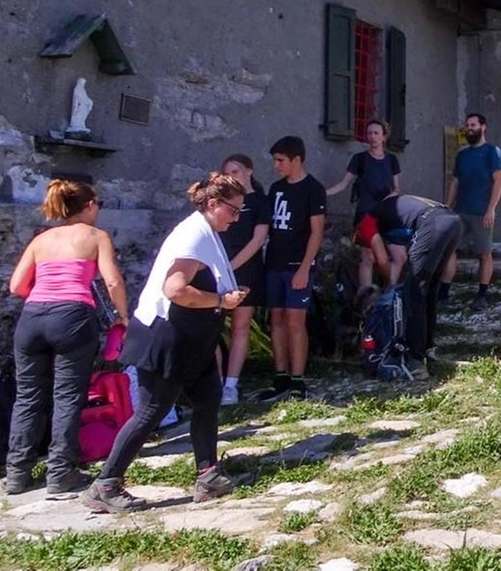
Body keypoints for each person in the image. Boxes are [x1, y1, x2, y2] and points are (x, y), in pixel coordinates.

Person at [82, 174, 249, 513]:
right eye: (233, 211)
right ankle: (105, 484)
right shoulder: (193, 236)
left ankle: (208, 474)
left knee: (208, 397)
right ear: (213, 204)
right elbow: (175, 290)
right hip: (167, 336)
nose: (236, 218)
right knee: (150, 410)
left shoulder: (206, 231)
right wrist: (221, 300)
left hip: (191, 339)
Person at [3, 181, 129, 495]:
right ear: (87, 206)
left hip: (32, 319)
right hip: (72, 317)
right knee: (68, 395)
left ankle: (17, 474)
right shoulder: (96, 237)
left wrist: (45, 297)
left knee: (28, 397)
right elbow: (112, 281)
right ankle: (60, 472)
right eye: (97, 203)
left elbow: (17, 286)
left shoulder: (41, 240)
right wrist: (123, 316)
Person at [360, 192, 462, 379]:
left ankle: (415, 360)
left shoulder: (366, 222)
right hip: (452, 221)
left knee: (414, 292)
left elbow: (382, 259)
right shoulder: (394, 210)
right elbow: (404, 255)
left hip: (432, 224)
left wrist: (388, 287)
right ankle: (428, 348)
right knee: (429, 290)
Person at [260, 136, 326, 402]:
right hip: (273, 262)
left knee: (295, 321)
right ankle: (281, 375)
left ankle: (298, 378)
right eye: (275, 160)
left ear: (297, 159)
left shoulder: (313, 189)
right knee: (276, 319)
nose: (277, 166)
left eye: (281, 160)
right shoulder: (275, 188)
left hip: (297, 265)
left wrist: (304, 267)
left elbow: (316, 232)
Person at [216, 154, 270, 406]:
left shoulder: (259, 201)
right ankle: (213, 383)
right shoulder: (221, 201)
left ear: (249, 171)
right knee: (211, 328)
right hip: (219, 267)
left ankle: (231, 384)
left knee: (240, 326)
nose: (231, 177)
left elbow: (258, 240)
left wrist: (232, 266)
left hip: (245, 268)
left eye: (236, 172)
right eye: (227, 173)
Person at [325, 120, 401, 293]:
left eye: (376, 133)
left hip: (386, 213)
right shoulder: (359, 159)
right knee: (368, 257)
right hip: (365, 213)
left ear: (384, 136)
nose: (372, 137)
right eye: (369, 133)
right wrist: (323, 193)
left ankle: (391, 291)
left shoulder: (392, 160)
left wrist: (391, 197)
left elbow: (396, 188)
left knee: (399, 255)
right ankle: (365, 298)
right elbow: (343, 184)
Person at [443, 113, 501, 311]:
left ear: (483, 127)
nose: (469, 128)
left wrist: (491, 210)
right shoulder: (462, 155)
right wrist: (446, 207)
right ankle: (443, 292)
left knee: (484, 254)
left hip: (482, 212)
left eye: (473, 125)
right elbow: (455, 182)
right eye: (467, 125)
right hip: (460, 211)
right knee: (449, 250)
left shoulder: (492, 152)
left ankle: (481, 294)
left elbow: (499, 181)